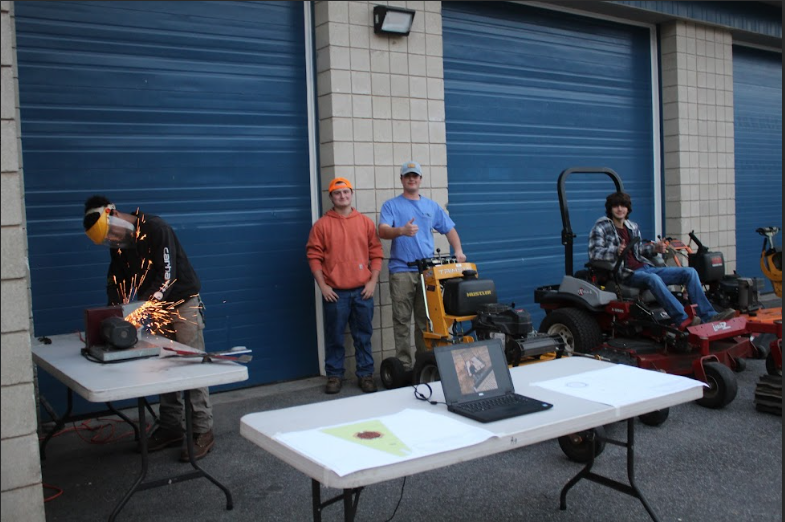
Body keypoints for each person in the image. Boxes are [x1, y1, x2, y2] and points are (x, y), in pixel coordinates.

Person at [83, 195, 214, 461]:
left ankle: (202, 429)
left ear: (114, 214)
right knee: (164, 368)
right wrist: (113, 311)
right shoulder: (119, 243)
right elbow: (116, 278)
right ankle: (171, 428)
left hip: (183, 303)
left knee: (191, 365)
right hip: (155, 306)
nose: (113, 241)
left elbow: (167, 277)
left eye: (111, 233)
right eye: (107, 239)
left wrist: (141, 310)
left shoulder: (156, 228)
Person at [588, 191, 736, 329]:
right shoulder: (602, 227)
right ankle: (683, 319)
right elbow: (594, 252)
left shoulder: (632, 227)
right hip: (624, 273)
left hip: (645, 267)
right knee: (653, 278)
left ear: (628, 209)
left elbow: (637, 250)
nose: (619, 209)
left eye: (623, 206)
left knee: (690, 272)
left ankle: (708, 315)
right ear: (610, 208)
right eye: (616, 206)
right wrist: (615, 250)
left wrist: (654, 249)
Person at [378, 161, 466, 370]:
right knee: (401, 321)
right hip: (401, 272)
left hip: (427, 272)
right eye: (408, 175)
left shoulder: (431, 206)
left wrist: (459, 250)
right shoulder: (391, 205)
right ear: (401, 179)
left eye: (415, 176)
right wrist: (401, 231)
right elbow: (382, 231)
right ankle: (404, 366)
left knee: (425, 321)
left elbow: (449, 229)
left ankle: (423, 363)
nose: (412, 179)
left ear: (420, 179)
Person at [306, 178, 383, 394]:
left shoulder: (365, 223)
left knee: (363, 336)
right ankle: (334, 376)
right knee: (335, 337)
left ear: (351, 193)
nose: (342, 196)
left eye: (346, 192)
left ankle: (366, 375)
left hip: (362, 292)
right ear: (331, 197)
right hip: (335, 294)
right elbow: (313, 257)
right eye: (337, 193)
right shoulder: (321, 225)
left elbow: (377, 254)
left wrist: (372, 282)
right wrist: (323, 286)